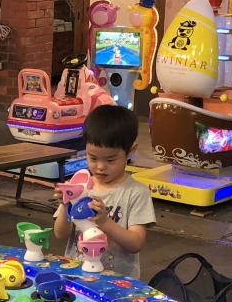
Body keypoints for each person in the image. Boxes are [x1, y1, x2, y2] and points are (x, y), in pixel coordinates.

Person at [52, 104, 156, 277]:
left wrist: (104, 222)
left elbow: (136, 243)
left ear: (130, 152)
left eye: (110, 160)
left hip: (117, 282)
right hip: (77, 275)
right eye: (93, 158)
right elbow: (59, 234)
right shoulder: (80, 186)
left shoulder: (137, 193)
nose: (100, 167)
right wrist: (65, 204)